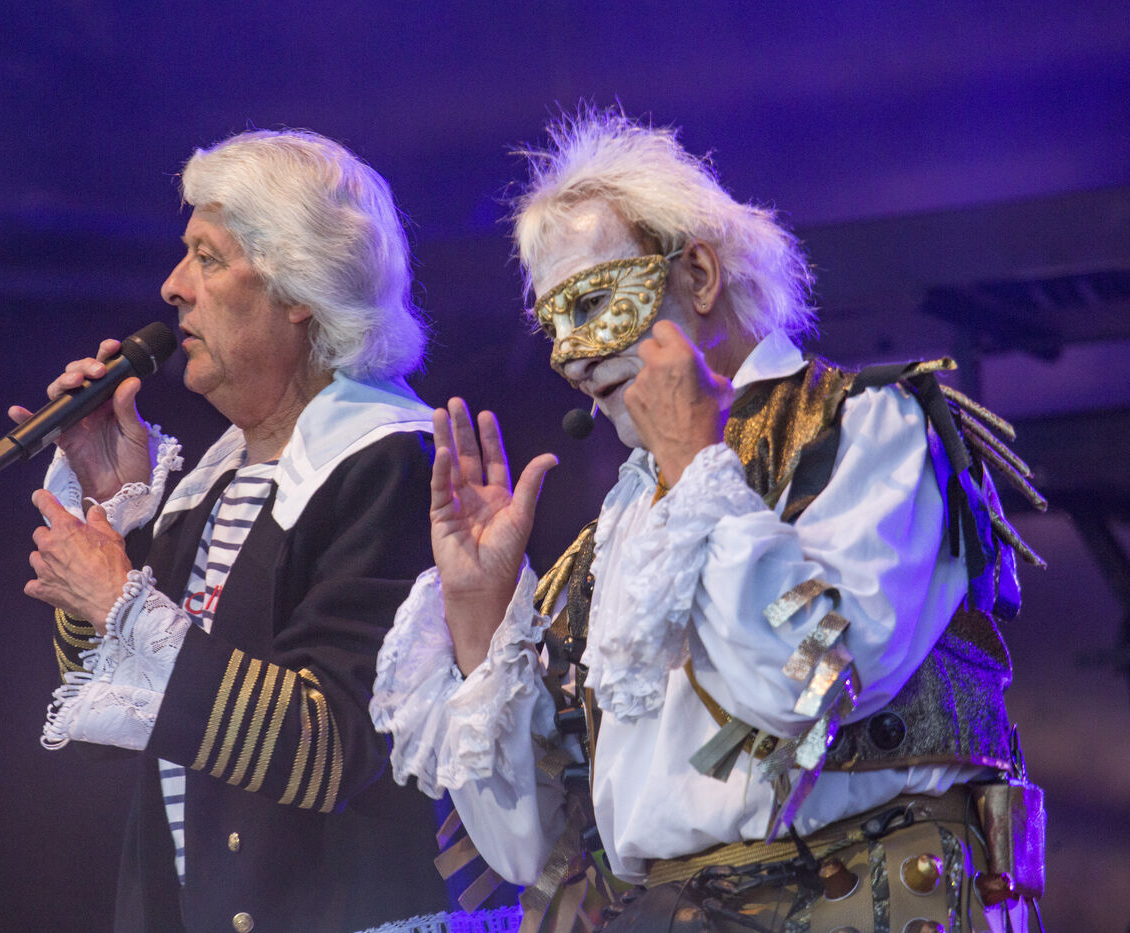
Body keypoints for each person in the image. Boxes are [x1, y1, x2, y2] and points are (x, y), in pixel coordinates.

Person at [371, 110, 1047, 932]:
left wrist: (698, 468)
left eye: (595, 302)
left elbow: (815, 685)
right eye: (552, 326)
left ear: (697, 274)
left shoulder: (865, 430)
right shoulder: (618, 541)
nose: (570, 356)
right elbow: (527, 847)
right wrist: (479, 622)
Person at [15, 129, 458, 933]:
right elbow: (110, 729)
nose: (173, 286)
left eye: (207, 258)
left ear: (299, 286)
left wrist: (121, 599)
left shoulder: (392, 464)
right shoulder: (208, 487)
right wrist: (113, 516)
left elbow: (330, 748)